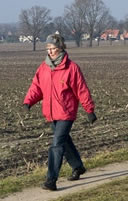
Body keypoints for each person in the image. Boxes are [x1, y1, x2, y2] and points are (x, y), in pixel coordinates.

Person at [23, 34, 97, 191]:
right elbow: (36, 87)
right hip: (50, 113)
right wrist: (28, 101)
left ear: (61, 48)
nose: (50, 51)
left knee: (56, 145)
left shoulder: (71, 68)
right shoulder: (43, 67)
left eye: (53, 48)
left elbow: (81, 90)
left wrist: (89, 110)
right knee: (64, 141)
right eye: (48, 48)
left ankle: (51, 180)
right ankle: (78, 166)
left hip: (66, 113)